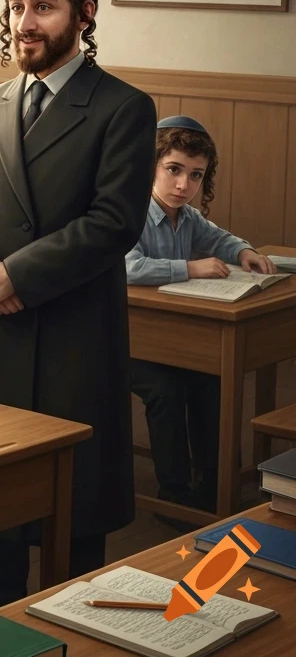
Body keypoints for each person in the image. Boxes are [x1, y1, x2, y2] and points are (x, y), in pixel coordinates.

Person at [0, 0, 157, 609]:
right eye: (15, 7)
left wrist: (19, 276)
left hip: (70, 336)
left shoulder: (124, 107)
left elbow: (113, 222)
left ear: (84, 14)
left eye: (42, 6)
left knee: (74, 527)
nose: (24, 23)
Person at [127, 115, 276, 524]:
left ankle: (214, 487)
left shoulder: (187, 217)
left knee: (212, 381)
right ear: (151, 165)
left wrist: (242, 251)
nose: (183, 185)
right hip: (126, 342)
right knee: (167, 391)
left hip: (172, 342)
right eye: (173, 170)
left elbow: (220, 238)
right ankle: (174, 496)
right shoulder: (131, 212)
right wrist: (189, 269)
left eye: (195, 175)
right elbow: (125, 267)